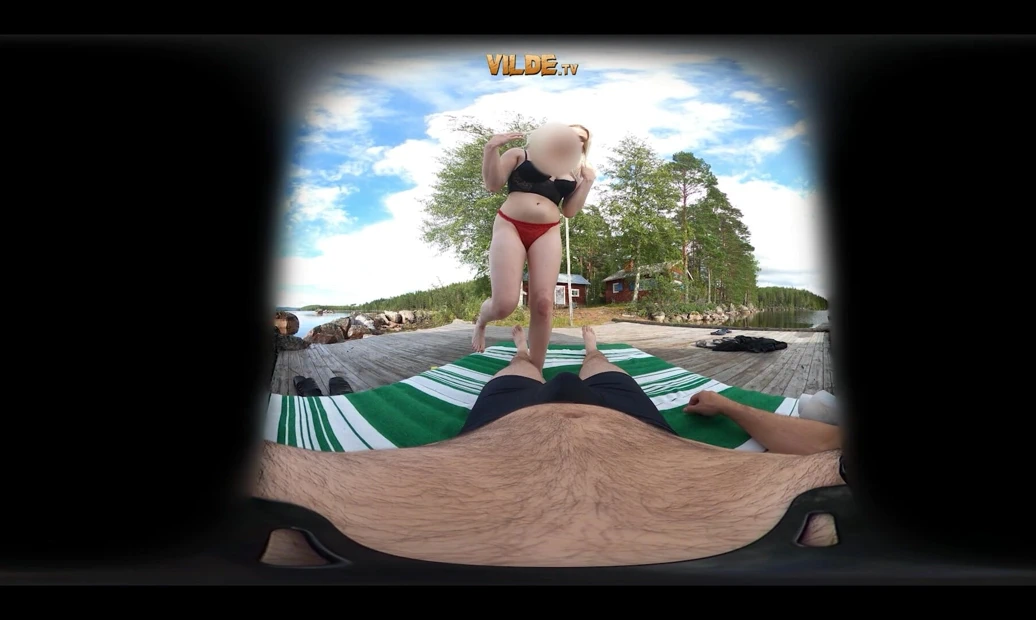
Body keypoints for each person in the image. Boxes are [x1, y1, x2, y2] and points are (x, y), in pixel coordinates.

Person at [255, 326, 846, 568]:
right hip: (630, 423)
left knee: (520, 370)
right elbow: (824, 441)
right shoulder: (833, 503)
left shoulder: (284, 510)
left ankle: (541, 347)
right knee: (601, 367)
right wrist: (727, 405)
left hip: (504, 424)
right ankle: (583, 345)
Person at [470, 123, 597, 371]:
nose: (576, 141)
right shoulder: (521, 154)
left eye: (582, 140)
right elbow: (493, 184)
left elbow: (569, 211)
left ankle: (535, 370)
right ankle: (482, 321)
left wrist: (588, 182)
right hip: (510, 225)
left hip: (548, 231)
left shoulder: (575, 173)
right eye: (571, 134)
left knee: (543, 304)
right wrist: (491, 148)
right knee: (504, 305)